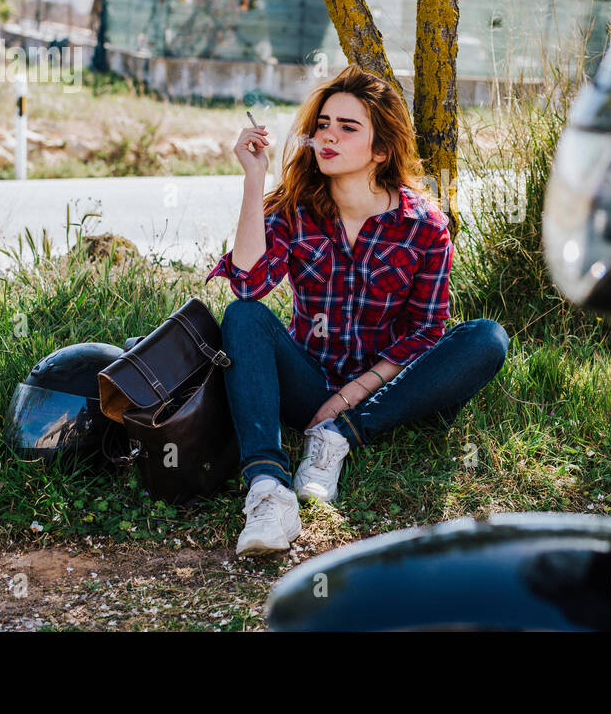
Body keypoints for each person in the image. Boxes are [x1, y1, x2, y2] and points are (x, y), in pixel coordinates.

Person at [207, 64, 510, 558]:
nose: (329, 136)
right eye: (323, 124)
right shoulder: (294, 210)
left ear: (381, 149)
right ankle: (268, 490)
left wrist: (350, 400)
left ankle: (339, 436)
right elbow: (248, 284)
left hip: (382, 388)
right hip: (305, 381)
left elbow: (428, 328)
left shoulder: (424, 225)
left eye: (348, 128)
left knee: (487, 339)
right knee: (242, 318)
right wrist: (254, 179)